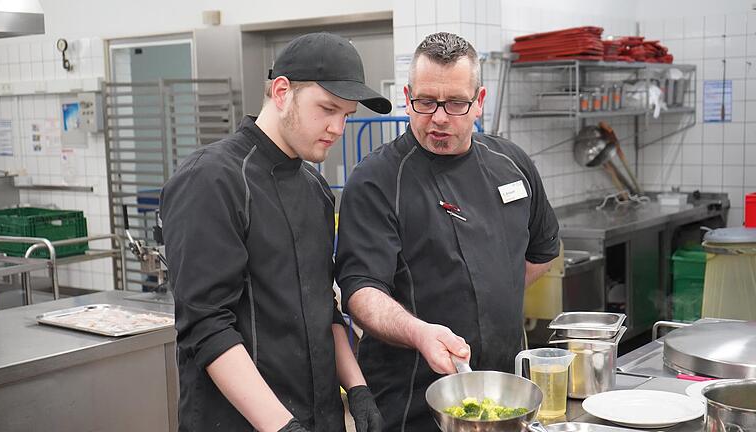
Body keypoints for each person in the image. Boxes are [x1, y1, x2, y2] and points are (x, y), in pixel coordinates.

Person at [161, 32, 391, 432]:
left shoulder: (316, 190)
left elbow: (324, 307)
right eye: (328, 109)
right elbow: (208, 327)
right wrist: (282, 427)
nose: (338, 128)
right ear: (282, 91)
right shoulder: (212, 179)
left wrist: (357, 388)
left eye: (346, 115)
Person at [334, 32, 560, 431]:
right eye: (425, 102)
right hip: (410, 403)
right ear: (407, 97)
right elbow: (360, 293)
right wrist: (419, 332)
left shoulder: (512, 164)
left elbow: (540, 252)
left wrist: (490, 297)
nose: (439, 117)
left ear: (480, 102)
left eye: (456, 103)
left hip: (502, 395)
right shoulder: (378, 179)